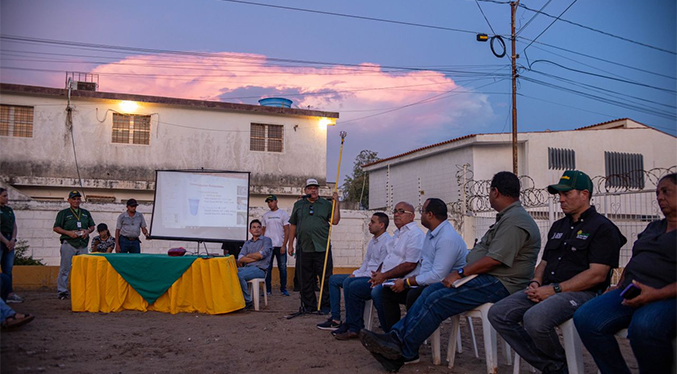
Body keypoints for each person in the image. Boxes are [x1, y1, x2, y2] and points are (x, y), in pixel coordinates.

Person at [359, 171, 541, 372]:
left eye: (489, 192)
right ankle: (397, 342)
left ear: (495, 192)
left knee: (438, 299)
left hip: (502, 283)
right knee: (431, 292)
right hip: (489, 277)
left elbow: (494, 259)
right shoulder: (506, 218)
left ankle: (402, 347)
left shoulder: (515, 220)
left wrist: (460, 273)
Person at [489, 170, 626, 374]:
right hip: (547, 289)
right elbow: (544, 263)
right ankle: (557, 366)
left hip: (583, 293)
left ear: (584, 194)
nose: (560, 200)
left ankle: (557, 366)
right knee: (498, 313)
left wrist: (554, 289)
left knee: (535, 319)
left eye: (566, 194)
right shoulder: (558, 226)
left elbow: (596, 275)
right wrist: (536, 282)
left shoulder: (602, 228)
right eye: (559, 195)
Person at [574, 173, 677, 374]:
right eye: (657, 193)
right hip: (633, 290)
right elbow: (635, 260)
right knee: (586, 317)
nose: (659, 197)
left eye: (666, 192)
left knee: (644, 327)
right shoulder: (654, 227)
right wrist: (620, 285)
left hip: (668, 296)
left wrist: (656, 294)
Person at [377, 198, 467, 333]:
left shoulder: (447, 238)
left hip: (448, 287)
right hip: (430, 284)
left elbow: (438, 276)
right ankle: (392, 335)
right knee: (387, 292)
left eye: (422, 211)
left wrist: (407, 282)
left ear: (430, 215)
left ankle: (404, 339)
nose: (421, 215)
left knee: (413, 294)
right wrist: (407, 282)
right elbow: (425, 267)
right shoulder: (431, 234)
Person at [316, 212, 391, 339]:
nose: (369, 224)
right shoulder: (373, 241)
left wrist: (357, 276)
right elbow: (366, 263)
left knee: (350, 284)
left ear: (382, 225)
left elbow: (381, 269)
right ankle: (336, 319)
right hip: (364, 274)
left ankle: (354, 325)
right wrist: (356, 273)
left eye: (373, 222)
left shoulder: (387, 242)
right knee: (334, 279)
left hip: (374, 279)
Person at [367, 202, 424, 334]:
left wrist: (384, 276)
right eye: (395, 211)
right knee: (376, 289)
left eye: (401, 211)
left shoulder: (415, 235)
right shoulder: (397, 235)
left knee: (379, 292)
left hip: (409, 282)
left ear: (412, 216)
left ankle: (393, 335)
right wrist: (379, 274)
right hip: (390, 279)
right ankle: (389, 333)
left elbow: (410, 264)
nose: (397, 214)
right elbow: (387, 258)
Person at [288, 178, 340, 313]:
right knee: (305, 278)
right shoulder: (299, 205)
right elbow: (293, 224)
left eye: (315, 188)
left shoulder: (326, 204)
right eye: (310, 188)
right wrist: (290, 244)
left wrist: (337, 203)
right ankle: (309, 306)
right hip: (304, 246)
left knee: (325, 278)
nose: (313, 190)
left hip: (322, 246)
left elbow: (335, 221)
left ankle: (325, 306)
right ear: (305, 191)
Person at [53, 190, 96, 300]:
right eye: (74, 198)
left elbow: (92, 226)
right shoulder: (63, 213)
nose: (76, 201)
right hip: (69, 243)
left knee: (83, 269)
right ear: (69, 200)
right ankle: (62, 291)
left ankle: (82, 290)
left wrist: (87, 231)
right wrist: (68, 233)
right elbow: (56, 227)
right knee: (65, 268)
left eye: (78, 198)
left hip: (83, 243)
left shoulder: (85, 213)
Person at [237, 219, 273, 310]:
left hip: (260, 270)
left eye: (258, 227)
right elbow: (240, 258)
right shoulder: (247, 243)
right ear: (250, 230)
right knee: (230, 272)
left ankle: (247, 301)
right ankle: (237, 300)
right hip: (247, 268)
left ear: (261, 229)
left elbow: (262, 255)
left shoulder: (267, 240)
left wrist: (248, 256)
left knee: (239, 275)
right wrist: (255, 255)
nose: (256, 229)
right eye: (254, 227)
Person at [262, 194, 291, 296]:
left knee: (282, 268)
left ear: (276, 201)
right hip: (269, 246)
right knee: (267, 268)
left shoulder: (283, 214)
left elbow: (287, 230)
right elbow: (263, 231)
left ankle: (283, 289)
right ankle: (268, 290)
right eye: (268, 202)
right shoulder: (265, 215)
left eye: (271, 201)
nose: (270, 204)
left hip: (280, 245)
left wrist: (284, 245)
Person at [0, 187, 23, 303]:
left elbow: (14, 225)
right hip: (1, 241)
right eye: (4, 196)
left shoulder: (9, 210)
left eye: (7, 196)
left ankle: (9, 293)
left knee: (8, 269)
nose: (6, 198)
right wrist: (5, 241)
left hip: (9, 241)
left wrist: (13, 239)